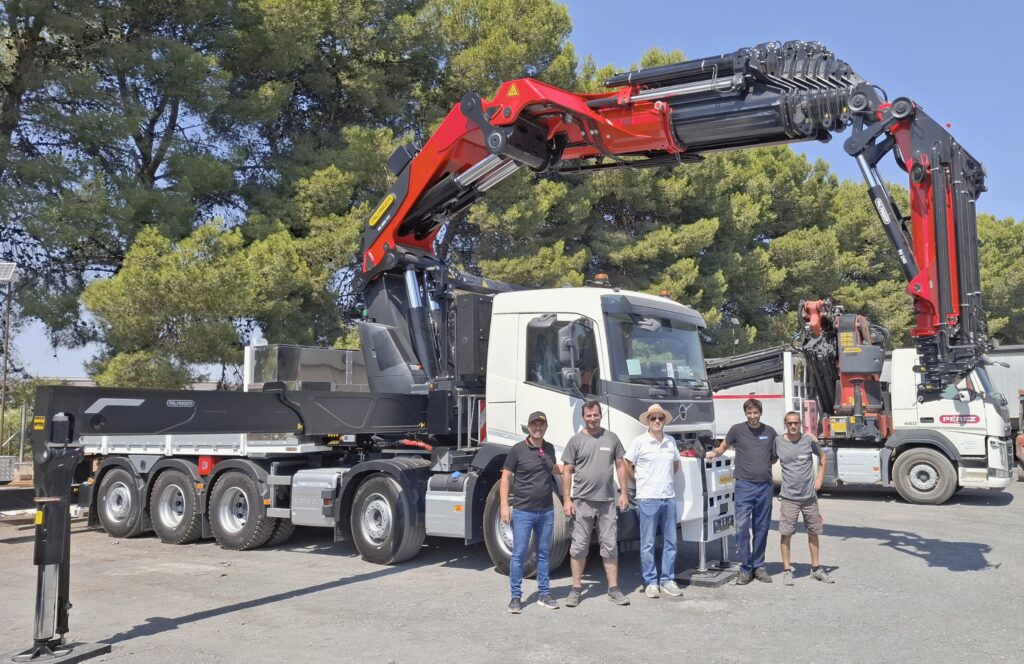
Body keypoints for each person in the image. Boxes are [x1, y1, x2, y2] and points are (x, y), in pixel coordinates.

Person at [561, 401, 631, 607]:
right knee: (579, 547)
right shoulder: (575, 441)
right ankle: (576, 589)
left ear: (601, 415)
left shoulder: (612, 438)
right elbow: (567, 471)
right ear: (583, 417)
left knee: (610, 546)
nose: (592, 419)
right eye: (588, 415)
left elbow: (620, 466)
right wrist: (567, 499)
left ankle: (613, 589)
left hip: (607, 502)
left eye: (595, 415)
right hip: (582, 501)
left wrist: (624, 493)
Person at [706, 398, 777, 585]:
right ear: (745, 414)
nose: (753, 416)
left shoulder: (770, 432)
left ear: (760, 413)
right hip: (744, 486)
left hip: (765, 486)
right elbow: (723, 446)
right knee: (742, 527)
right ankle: (745, 569)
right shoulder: (736, 430)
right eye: (749, 413)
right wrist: (715, 453)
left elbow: (774, 457)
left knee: (761, 527)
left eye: (756, 412)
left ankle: (759, 566)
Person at [500, 411, 563, 613]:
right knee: (519, 554)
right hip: (523, 511)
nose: (538, 428)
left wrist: (571, 467)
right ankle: (515, 597)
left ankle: (544, 594)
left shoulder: (549, 448)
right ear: (528, 427)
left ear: (546, 427)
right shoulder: (518, 450)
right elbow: (505, 478)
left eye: (541, 424)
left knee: (543, 553)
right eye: (534, 424)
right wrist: (504, 506)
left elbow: (552, 468)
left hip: (546, 511)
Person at [625, 404, 684, 599]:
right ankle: (650, 581)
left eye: (660, 418)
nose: (657, 421)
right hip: (647, 498)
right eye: (653, 418)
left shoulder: (670, 441)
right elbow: (627, 463)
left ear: (664, 421)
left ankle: (667, 580)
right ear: (648, 422)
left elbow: (676, 465)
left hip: (668, 497)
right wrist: (638, 480)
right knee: (648, 543)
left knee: (671, 542)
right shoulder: (639, 442)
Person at [775, 411, 834, 585]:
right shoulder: (778, 441)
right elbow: (767, 458)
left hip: (809, 496)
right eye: (790, 423)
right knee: (786, 533)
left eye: (796, 423)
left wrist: (820, 477)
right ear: (785, 424)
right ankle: (787, 571)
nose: (793, 426)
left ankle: (816, 569)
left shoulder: (809, 440)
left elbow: (823, 456)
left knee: (814, 532)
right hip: (789, 497)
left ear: (800, 424)